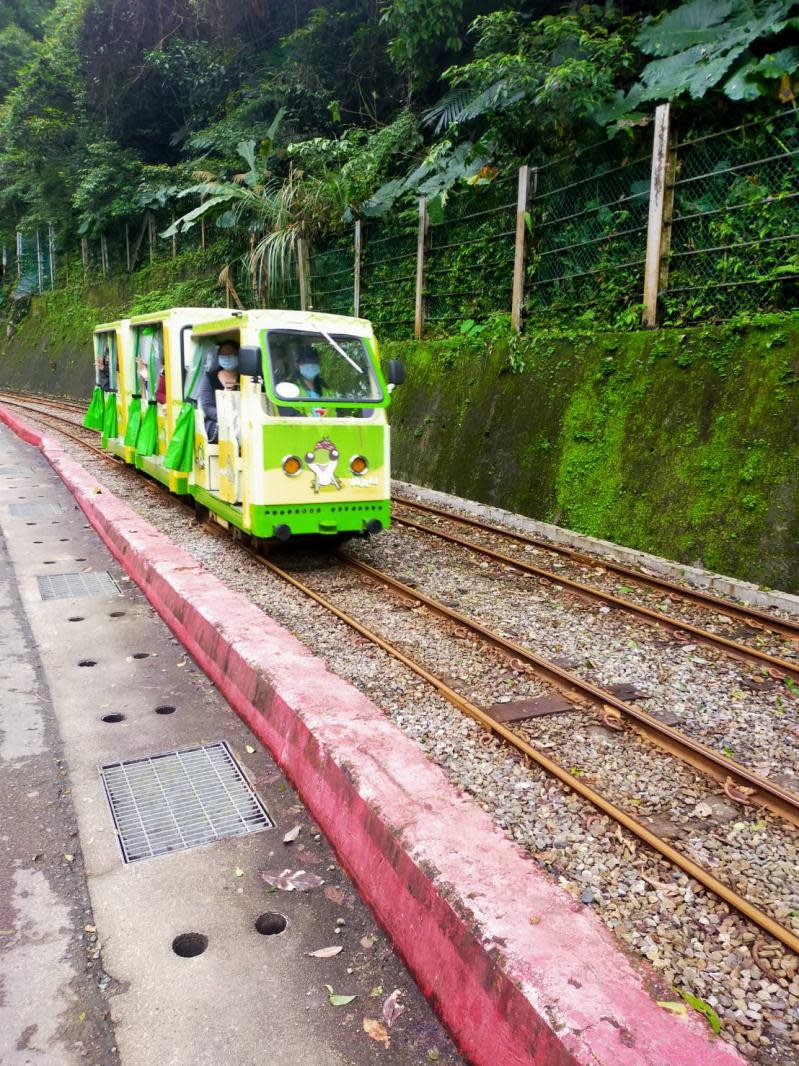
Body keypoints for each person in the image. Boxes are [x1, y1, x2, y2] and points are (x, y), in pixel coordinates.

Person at [197, 340, 240, 443]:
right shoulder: (209, 378)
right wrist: (225, 417)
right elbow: (207, 407)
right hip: (216, 422)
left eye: (231, 354)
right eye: (223, 354)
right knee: (228, 432)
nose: (227, 356)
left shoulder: (246, 379)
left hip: (241, 421)